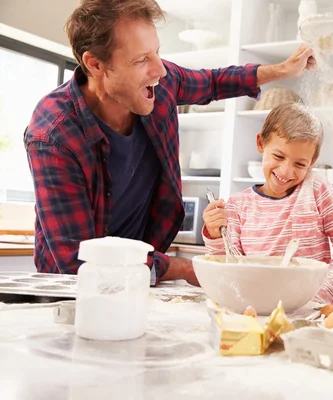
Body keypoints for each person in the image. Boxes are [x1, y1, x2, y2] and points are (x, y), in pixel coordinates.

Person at [23, 0, 316, 286]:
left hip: (138, 276)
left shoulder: (158, 86)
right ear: (96, 64)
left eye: (157, 53)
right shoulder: (53, 134)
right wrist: (187, 269)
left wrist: (283, 70)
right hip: (72, 292)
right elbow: (77, 258)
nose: (160, 70)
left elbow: (214, 82)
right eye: (141, 60)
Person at [202, 103, 333, 305]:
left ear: (313, 161)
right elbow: (229, 267)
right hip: (255, 308)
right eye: (278, 156)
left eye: (300, 164)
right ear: (261, 143)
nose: (285, 171)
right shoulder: (238, 205)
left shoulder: (316, 188)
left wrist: (319, 300)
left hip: (309, 310)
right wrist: (215, 233)